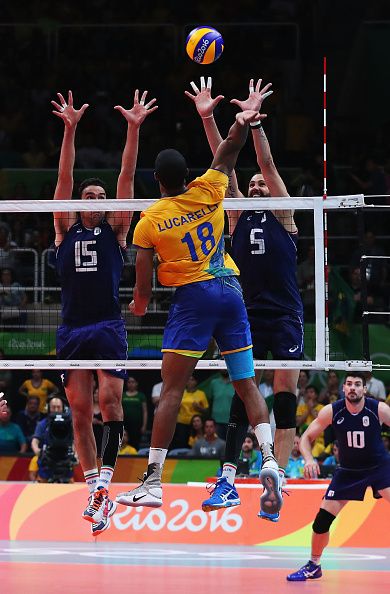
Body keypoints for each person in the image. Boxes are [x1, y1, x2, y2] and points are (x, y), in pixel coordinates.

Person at [116, 101, 280, 518]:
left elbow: (142, 290)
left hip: (193, 298)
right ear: (188, 176)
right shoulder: (210, 188)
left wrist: (136, 307)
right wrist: (242, 120)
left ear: (156, 180)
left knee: (171, 390)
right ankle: (269, 459)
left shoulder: (150, 220)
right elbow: (229, 148)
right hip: (231, 289)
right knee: (247, 385)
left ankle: (153, 481)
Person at [185, 76, 302, 521]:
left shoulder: (285, 214)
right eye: (250, 186)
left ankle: (280, 474)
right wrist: (210, 118)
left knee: (286, 389)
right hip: (247, 312)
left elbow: (266, 165)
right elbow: (225, 164)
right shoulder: (234, 216)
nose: (255, 187)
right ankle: (229, 477)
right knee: (242, 388)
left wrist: (255, 126)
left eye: (260, 185)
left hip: (286, 313)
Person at [52, 88, 157, 535]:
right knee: (79, 410)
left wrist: (133, 129)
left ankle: (107, 485)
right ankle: (94, 488)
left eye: (100, 194)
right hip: (72, 328)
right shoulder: (63, 228)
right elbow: (63, 175)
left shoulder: (116, 231)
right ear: (79, 203)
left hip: (108, 325)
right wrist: (70, 129)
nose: (95, 198)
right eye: (88, 195)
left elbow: (127, 176)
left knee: (110, 403)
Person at [286, 372, 390, 581]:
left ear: (364, 389)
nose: (353, 388)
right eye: (349, 384)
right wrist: (308, 459)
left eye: (357, 384)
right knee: (321, 522)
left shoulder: (378, 409)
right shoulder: (332, 411)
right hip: (348, 471)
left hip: (379, 468)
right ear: (343, 389)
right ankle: (314, 565)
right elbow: (306, 437)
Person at [30, 396, 75, 482]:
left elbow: (75, 442)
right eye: (53, 407)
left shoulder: (69, 424)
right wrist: (38, 451)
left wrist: (75, 454)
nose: (56, 409)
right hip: (48, 460)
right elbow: (34, 441)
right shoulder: (42, 424)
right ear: (48, 408)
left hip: (65, 459)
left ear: (63, 408)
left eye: (58, 407)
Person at [172, 375, 209, 449]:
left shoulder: (201, 394)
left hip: (195, 424)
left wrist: (199, 408)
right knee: (182, 443)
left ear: (195, 382)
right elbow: (174, 408)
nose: (189, 382)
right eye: (187, 380)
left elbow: (206, 410)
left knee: (194, 444)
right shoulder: (181, 393)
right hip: (182, 423)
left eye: (191, 380)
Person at [122, 376, 148, 450]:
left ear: (136, 384)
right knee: (124, 441)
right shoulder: (123, 395)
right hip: (125, 424)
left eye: (133, 382)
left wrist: (144, 425)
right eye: (129, 382)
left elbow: (145, 411)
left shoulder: (141, 396)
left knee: (135, 442)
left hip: (137, 425)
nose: (131, 384)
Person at [207, 370, 234, 440]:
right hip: (216, 421)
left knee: (230, 444)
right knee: (217, 445)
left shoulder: (235, 382)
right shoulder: (214, 383)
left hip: (231, 420)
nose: (224, 368)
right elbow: (210, 400)